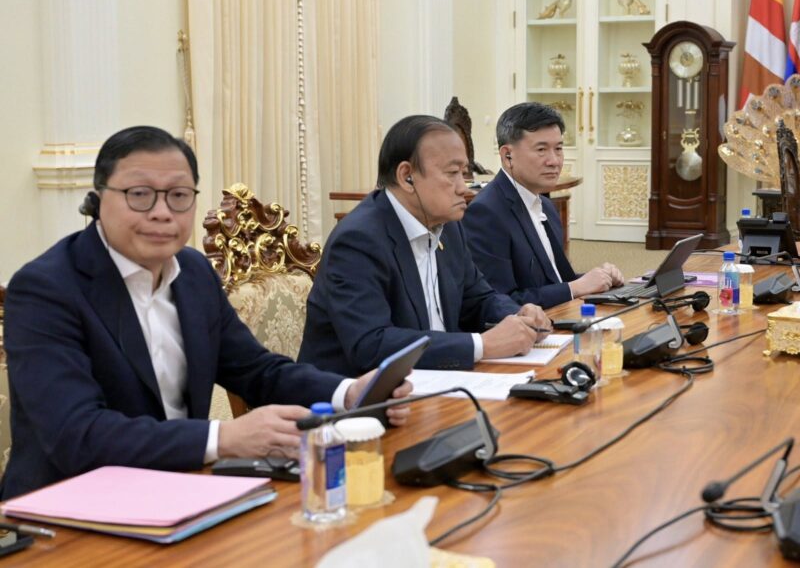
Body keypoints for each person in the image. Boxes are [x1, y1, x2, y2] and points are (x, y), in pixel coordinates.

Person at [1, 127, 411, 501]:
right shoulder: (46, 290)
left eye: (179, 196)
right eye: (139, 194)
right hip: (66, 513)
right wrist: (223, 437)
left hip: (181, 490)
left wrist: (347, 393)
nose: (162, 212)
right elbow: (77, 435)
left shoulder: (193, 272)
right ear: (97, 198)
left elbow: (257, 371)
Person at [298, 115, 550, 377]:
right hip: (359, 392)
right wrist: (481, 345)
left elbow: (477, 299)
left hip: (435, 380)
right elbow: (371, 344)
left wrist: (519, 315)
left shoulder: (448, 226)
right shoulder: (358, 240)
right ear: (407, 176)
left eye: (464, 173)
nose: (463, 188)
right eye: (452, 174)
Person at [462, 102, 624, 308]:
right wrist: (575, 288)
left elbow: (554, 280)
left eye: (558, 149)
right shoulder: (486, 213)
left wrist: (600, 279)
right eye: (541, 150)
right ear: (507, 156)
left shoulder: (546, 206)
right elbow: (497, 303)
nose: (554, 161)